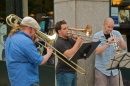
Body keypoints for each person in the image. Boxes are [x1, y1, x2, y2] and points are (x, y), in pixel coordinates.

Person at [5, 16, 53, 86]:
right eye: (35, 30)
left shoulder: (10, 38)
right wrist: (49, 53)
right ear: (29, 28)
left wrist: (31, 42)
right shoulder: (26, 41)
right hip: (28, 80)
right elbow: (40, 61)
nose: (35, 32)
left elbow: (20, 53)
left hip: (15, 79)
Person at [93, 17, 127, 86]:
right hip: (101, 69)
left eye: (112, 27)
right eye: (109, 27)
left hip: (115, 69)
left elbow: (124, 47)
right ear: (104, 25)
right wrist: (107, 43)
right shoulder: (97, 36)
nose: (110, 29)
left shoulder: (116, 33)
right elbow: (97, 51)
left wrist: (120, 41)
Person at [54, 20, 83, 86]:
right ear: (59, 31)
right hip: (64, 73)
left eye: (67, 28)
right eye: (64, 29)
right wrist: (78, 42)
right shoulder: (59, 42)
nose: (67, 30)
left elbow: (78, 47)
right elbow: (69, 54)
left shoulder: (68, 39)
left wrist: (77, 38)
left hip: (72, 71)